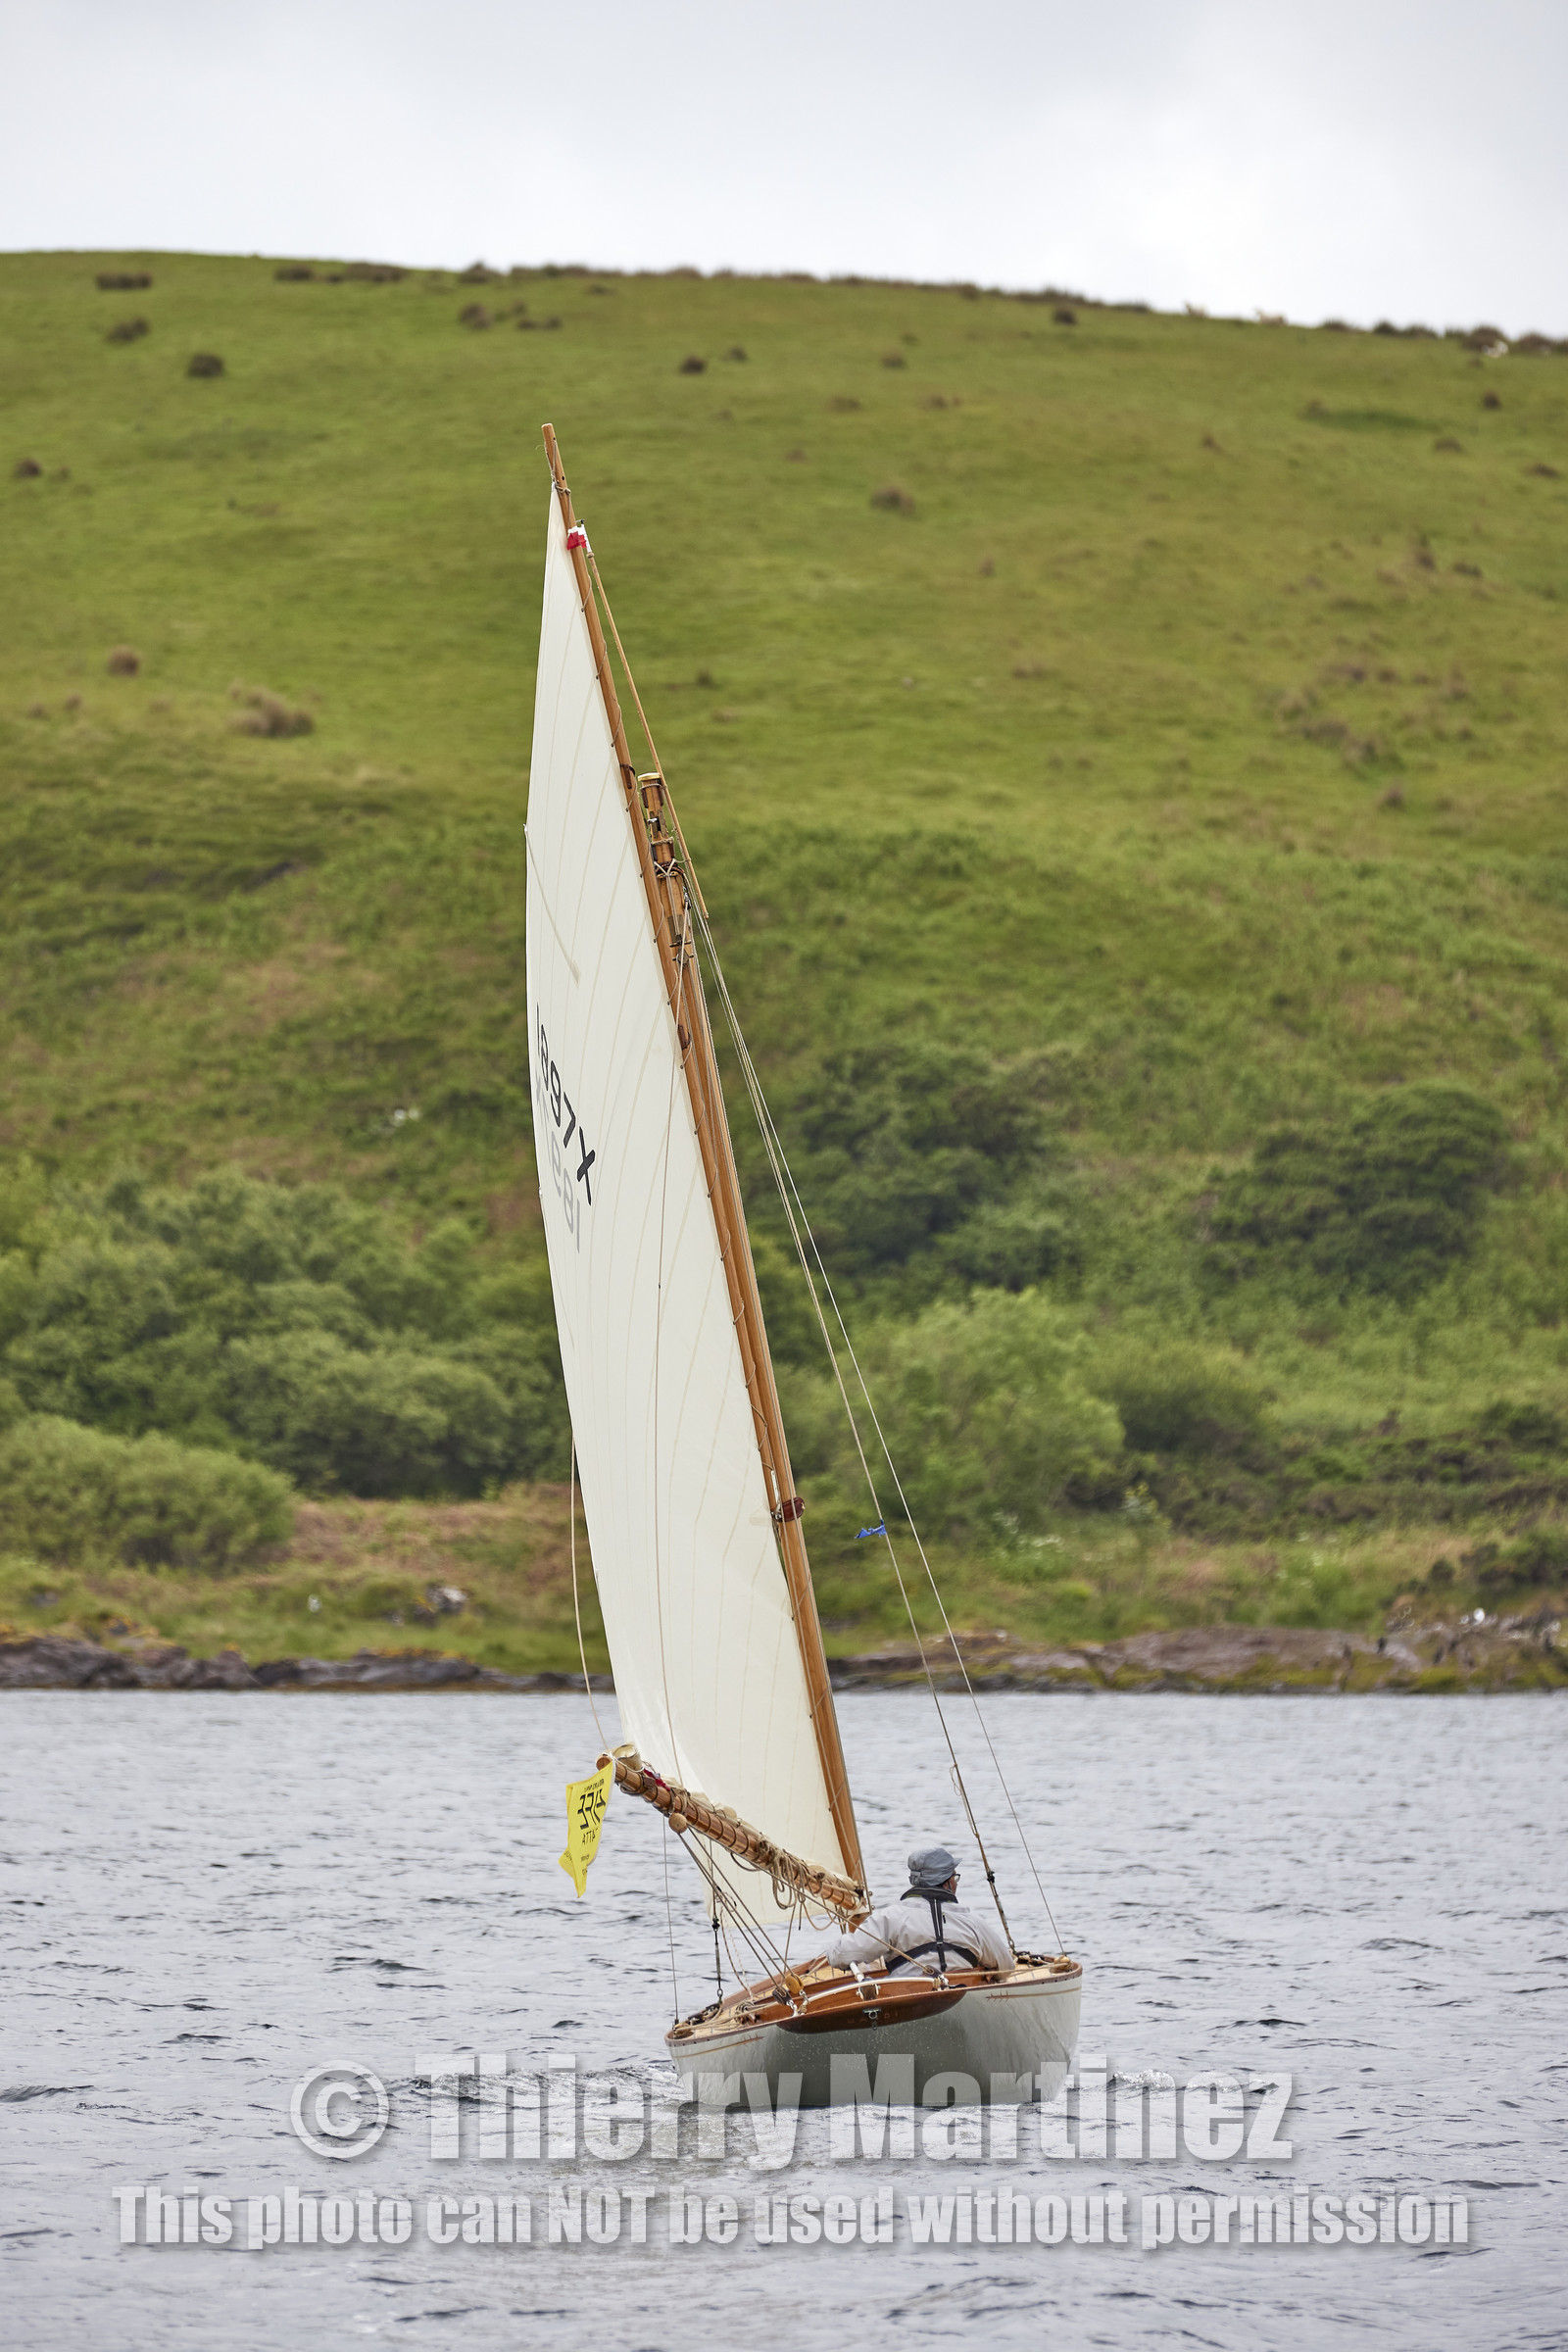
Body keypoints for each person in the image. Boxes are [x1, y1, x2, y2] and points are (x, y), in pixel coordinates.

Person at [821, 1844, 1013, 1977]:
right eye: (955, 1877)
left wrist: (831, 1952)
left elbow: (843, 1955)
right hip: (963, 1999)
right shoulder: (974, 1923)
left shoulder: (891, 1918)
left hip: (908, 2004)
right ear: (946, 1882)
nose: (956, 1882)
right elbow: (1006, 1968)